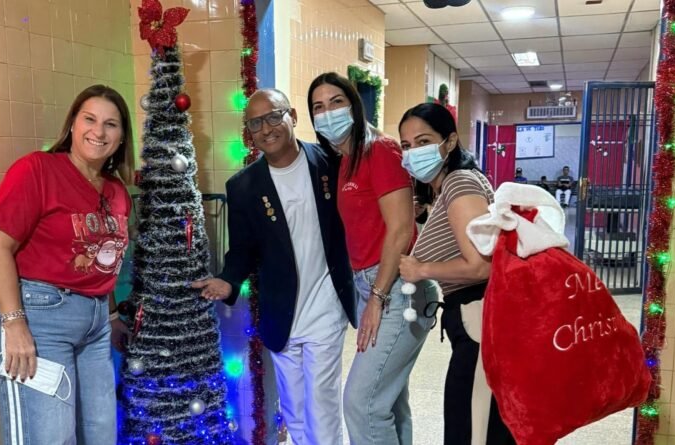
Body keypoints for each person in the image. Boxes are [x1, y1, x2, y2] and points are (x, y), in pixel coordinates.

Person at [191, 89, 356, 444]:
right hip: (281, 309)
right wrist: (228, 280)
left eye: (273, 116)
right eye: (255, 123)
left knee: (322, 402)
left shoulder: (329, 162)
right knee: (295, 406)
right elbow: (243, 249)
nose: (265, 129)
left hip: (326, 303)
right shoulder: (243, 186)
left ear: (293, 115)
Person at [0, 84, 135, 444]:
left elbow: (104, 261)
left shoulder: (116, 191)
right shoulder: (37, 169)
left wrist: (111, 317)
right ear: (72, 124)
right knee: (51, 438)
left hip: (96, 325)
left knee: (100, 435)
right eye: (90, 119)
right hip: (40, 319)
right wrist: (14, 325)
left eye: (111, 124)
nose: (98, 132)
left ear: (121, 138)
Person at [308, 72, 436, 445]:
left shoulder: (380, 150)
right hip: (373, 284)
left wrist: (377, 297)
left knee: (361, 403)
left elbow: (401, 228)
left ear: (354, 105)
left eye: (336, 102)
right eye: (318, 106)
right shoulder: (345, 159)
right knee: (391, 403)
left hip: (396, 288)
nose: (328, 112)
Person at [398, 103, 515, 445]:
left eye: (423, 141)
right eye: (406, 146)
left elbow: (482, 265)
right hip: (472, 324)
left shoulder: (459, 183)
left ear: (448, 142)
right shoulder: (448, 187)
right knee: (475, 425)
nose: (413, 152)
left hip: (479, 324)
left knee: (473, 431)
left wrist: (420, 268)